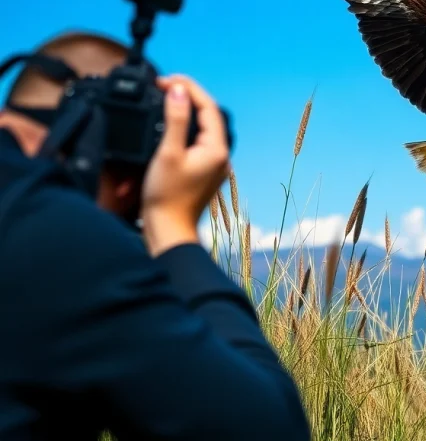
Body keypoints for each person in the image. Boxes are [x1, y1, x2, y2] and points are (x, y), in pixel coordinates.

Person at [0, 31, 310, 440]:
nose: (131, 194)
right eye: (132, 168)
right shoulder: (56, 237)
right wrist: (172, 226)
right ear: (88, 133)